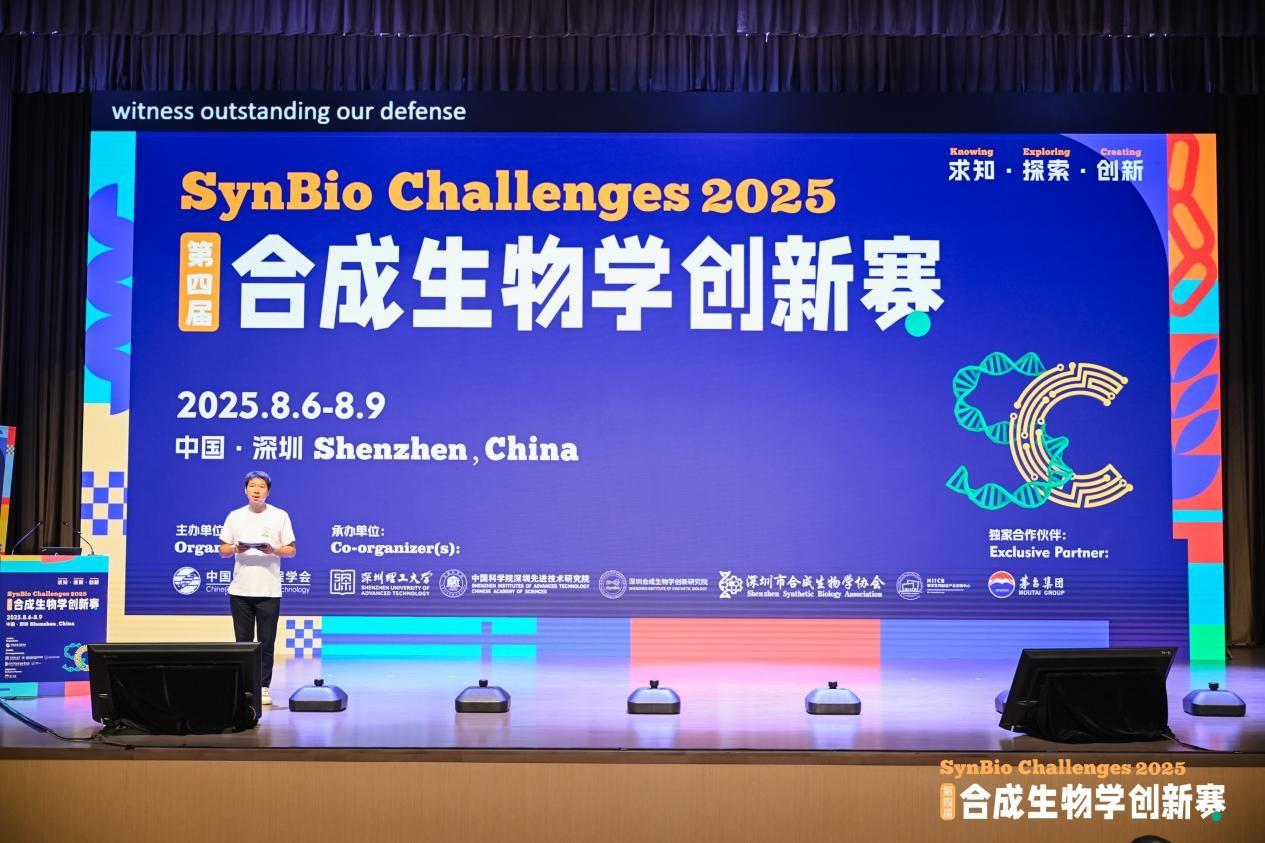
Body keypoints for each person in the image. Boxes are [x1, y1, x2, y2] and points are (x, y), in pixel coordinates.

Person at [218, 470, 296, 706]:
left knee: (266, 642)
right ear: (245, 490)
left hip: (269, 590)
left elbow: (291, 550)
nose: (257, 490)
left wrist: (273, 549)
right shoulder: (235, 516)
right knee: (243, 642)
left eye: (262, 486)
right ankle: (244, 687)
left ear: (268, 492)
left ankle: (262, 687)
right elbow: (222, 550)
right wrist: (235, 548)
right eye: (252, 485)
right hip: (240, 591)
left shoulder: (280, 516)